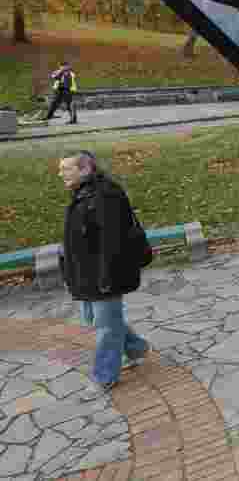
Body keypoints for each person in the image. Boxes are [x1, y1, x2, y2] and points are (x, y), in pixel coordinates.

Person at [58, 151, 148, 396]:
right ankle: (136, 347)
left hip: (105, 273)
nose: (60, 174)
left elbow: (113, 242)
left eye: (66, 169)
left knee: (106, 327)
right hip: (85, 273)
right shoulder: (82, 193)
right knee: (94, 320)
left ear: (86, 168)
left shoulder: (105, 195)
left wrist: (107, 276)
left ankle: (104, 376)